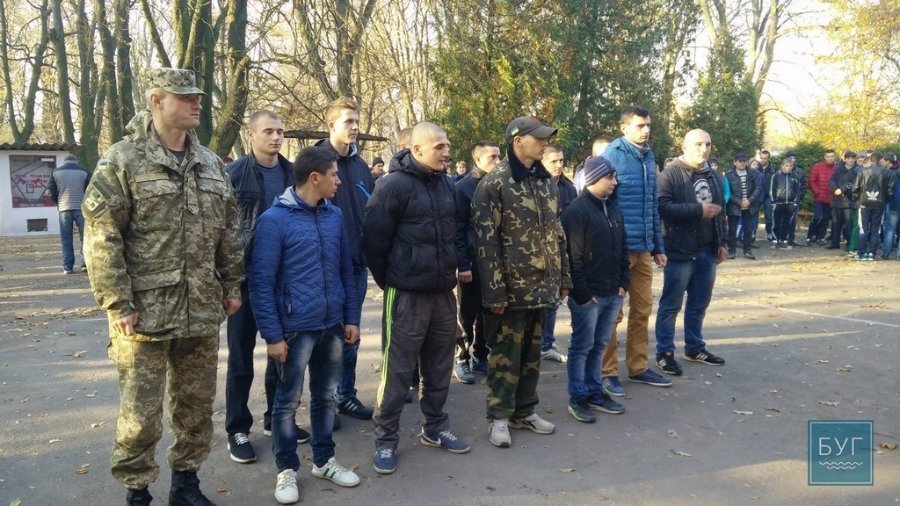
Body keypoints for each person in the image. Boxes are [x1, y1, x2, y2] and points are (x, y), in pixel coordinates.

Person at [81, 68, 244, 506]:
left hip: (201, 308)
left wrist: (232, 283)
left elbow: (229, 229)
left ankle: (186, 485)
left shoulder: (210, 163)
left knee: (196, 407)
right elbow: (102, 236)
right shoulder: (122, 160)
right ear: (156, 100)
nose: (196, 103)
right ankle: (137, 492)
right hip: (145, 315)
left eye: (198, 96)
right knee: (141, 414)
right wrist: (118, 302)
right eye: (185, 96)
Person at [250, 146, 362, 504]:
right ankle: (286, 470)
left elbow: (346, 270)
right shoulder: (274, 221)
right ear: (315, 178)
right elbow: (261, 283)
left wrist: (351, 318)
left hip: (331, 325)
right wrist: (273, 335)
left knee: (326, 397)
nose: (339, 181)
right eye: (334, 175)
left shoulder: (334, 216)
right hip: (294, 330)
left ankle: (324, 461)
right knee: (286, 403)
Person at [363, 122, 470, 475]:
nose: (446, 152)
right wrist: (395, 280)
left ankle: (435, 427)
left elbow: (454, 234)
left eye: (447, 145)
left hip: (442, 294)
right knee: (397, 371)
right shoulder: (391, 185)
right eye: (439, 146)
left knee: (439, 366)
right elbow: (373, 243)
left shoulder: (447, 184)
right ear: (417, 149)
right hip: (406, 295)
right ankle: (385, 439)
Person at [471, 116, 572, 448]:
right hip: (510, 291)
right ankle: (498, 417)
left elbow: (557, 234)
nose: (544, 144)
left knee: (531, 354)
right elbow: (486, 244)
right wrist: (495, 293)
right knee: (505, 356)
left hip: (541, 286)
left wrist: (563, 277)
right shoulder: (494, 184)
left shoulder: (545, 181)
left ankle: (524, 411)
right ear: (518, 141)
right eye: (538, 138)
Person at [224, 111, 305, 465]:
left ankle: (276, 419)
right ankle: (237, 429)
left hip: (282, 281)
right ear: (250, 134)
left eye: (280, 131)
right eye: (268, 131)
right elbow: (223, 228)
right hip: (244, 280)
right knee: (241, 359)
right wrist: (226, 280)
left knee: (282, 355)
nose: (276, 137)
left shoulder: (293, 173)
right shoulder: (234, 174)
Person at [599, 106, 671, 398]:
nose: (646, 130)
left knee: (642, 310)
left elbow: (651, 205)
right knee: (612, 314)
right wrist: (609, 245)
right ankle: (606, 372)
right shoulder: (612, 155)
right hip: (618, 251)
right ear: (624, 128)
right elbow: (601, 203)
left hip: (643, 250)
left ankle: (638, 367)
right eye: (640, 126)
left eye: (648, 125)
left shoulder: (649, 156)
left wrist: (658, 246)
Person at [314, 97, 375, 421]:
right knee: (325, 337)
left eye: (356, 121)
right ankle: (323, 402)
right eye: (348, 122)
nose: (354, 127)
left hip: (356, 266)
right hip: (324, 268)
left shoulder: (361, 166)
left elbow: (371, 212)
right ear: (331, 125)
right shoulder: (315, 163)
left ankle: (345, 396)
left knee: (350, 334)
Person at [561, 156, 629, 423]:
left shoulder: (613, 207)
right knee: (582, 346)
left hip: (613, 292)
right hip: (589, 296)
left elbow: (623, 247)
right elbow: (573, 258)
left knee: (599, 344)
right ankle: (578, 396)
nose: (614, 182)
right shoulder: (576, 212)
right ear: (593, 179)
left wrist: (623, 283)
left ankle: (594, 391)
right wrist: (583, 294)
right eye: (609, 177)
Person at [655, 129, 727, 376]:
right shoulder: (670, 174)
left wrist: (722, 242)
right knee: (670, 306)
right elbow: (662, 208)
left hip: (707, 251)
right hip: (680, 251)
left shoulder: (714, 175)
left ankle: (695, 348)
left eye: (707, 144)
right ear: (684, 146)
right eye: (698, 144)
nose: (704, 149)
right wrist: (697, 210)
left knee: (699, 304)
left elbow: (720, 211)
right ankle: (665, 353)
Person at [453, 141, 501, 383]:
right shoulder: (463, 188)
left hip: (493, 264)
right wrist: (463, 264)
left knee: (489, 312)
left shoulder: (499, 185)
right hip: (471, 263)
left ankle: (480, 356)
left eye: (499, 156)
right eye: (492, 157)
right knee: (467, 314)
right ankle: (461, 358)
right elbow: (458, 229)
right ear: (478, 159)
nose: (498, 161)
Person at [540, 145, 577, 363]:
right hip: (538, 253)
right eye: (553, 161)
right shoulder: (535, 185)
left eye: (561, 160)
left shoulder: (568, 188)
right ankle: (538, 344)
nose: (559, 165)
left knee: (554, 300)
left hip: (562, 251)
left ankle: (547, 343)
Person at [47, 153, 91, 274]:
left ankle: (68, 267)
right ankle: (85, 264)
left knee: (66, 239)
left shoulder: (55, 172)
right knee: (85, 238)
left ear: (64, 162)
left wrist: (59, 202)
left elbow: (52, 191)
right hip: (82, 209)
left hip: (64, 209)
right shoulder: (85, 172)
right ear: (76, 161)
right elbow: (91, 190)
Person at [853, 152, 893, 261]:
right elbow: (890, 191)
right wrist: (885, 199)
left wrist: (858, 201)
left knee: (864, 229)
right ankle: (872, 253)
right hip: (879, 203)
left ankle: (862, 253)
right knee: (876, 229)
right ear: (880, 160)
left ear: (871, 160)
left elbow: (855, 188)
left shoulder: (862, 171)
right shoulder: (888, 173)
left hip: (864, 203)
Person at [723, 152, 760, 259]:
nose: (742, 163)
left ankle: (747, 250)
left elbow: (758, 188)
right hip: (734, 206)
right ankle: (732, 251)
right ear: (735, 162)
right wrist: (739, 202)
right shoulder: (729, 175)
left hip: (749, 206)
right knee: (732, 229)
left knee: (748, 229)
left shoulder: (752, 173)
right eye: (740, 161)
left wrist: (749, 200)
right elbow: (727, 191)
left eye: (744, 161)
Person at [827, 151, 860, 251]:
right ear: (845, 159)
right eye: (848, 158)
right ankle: (834, 242)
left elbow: (856, 185)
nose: (850, 160)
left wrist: (842, 190)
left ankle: (849, 244)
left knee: (849, 224)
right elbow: (832, 180)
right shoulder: (838, 169)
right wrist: (835, 189)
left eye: (852, 158)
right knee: (836, 223)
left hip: (849, 201)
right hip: (837, 200)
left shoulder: (858, 170)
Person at [768, 158, 803, 249]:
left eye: (790, 166)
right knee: (776, 222)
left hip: (790, 203)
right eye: (786, 166)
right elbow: (772, 189)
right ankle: (775, 240)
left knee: (787, 223)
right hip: (778, 203)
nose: (788, 168)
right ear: (782, 166)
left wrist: (795, 202)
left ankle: (783, 240)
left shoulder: (795, 176)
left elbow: (798, 190)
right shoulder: (776, 176)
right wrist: (773, 202)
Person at [806, 150, 837, 245]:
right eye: (828, 156)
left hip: (830, 198)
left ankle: (821, 237)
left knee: (826, 218)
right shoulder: (817, 166)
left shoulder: (837, 168)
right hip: (818, 198)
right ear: (825, 157)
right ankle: (810, 236)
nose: (830, 158)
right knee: (816, 217)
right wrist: (816, 192)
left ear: (834, 157)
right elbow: (811, 181)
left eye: (832, 156)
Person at [782, 150, 806, 246]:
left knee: (793, 220)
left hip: (795, 200)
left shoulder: (799, 171)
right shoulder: (780, 171)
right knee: (782, 220)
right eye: (790, 158)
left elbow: (803, 185)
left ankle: (791, 239)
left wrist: (799, 196)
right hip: (782, 200)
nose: (792, 160)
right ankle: (781, 239)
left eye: (794, 158)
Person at [881, 152, 900, 260]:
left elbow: (889, 190)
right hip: (894, 204)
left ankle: (886, 252)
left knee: (890, 229)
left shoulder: (893, 174)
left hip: (893, 205)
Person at [759, 150, 776, 241]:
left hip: (769, 196)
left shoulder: (774, 168)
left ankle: (769, 232)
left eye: (765, 158)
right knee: (753, 217)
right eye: (761, 158)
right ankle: (752, 234)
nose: (763, 160)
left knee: (769, 217)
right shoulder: (756, 167)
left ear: (769, 158)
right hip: (757, 195)